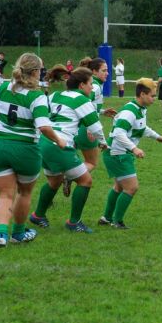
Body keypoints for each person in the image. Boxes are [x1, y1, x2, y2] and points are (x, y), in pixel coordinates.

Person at [0, 53, 65, 247]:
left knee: (4, 194)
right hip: (26, 149)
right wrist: (59, 141)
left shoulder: (2, 88)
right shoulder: (37, 96)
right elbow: (43, 126)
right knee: (24, 193)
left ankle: (0, 234)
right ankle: (18, 233)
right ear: (35, 71)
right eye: (41, 69)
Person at [29, 66, 107, 234]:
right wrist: (103, 142)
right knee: (86, 181)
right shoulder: (81, 99)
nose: (92, 88)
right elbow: (95, 126)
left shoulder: (55, 95)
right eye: (90, 84)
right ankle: (74, 222)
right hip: (59, 144)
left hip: (43, 142)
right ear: (81, 85)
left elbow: (39, 114)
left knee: (54, 181)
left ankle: (38, 215)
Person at [99, 78, 162, 229]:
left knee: (119, 187)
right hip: (117, 153)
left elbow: (142, 128)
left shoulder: (140, 109)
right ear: (143, 94)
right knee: (131, 187)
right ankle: (117, 222)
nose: (154, 99)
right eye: (152, 95)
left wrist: (157, 137)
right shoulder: (129, 112)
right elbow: (118, 133)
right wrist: (134, 148)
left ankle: (106, 218)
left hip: (118, 153)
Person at [67, 57, 116, 198]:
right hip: (85, 128)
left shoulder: (95, 84)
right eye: (104, 70)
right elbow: (86, 102)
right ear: (94, 71)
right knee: (91, 163)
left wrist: (102, 111)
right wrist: (90, 127)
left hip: (77, 128)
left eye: (107, 70)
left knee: (66, 161)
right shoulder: (94, 85)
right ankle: (70, 177)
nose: (107, 73)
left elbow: (90, 106)